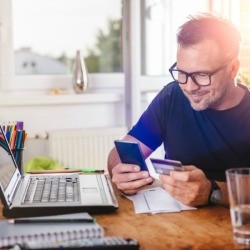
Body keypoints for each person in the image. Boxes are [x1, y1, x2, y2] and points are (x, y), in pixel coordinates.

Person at [108, 14, 250, 207]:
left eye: (202, 75)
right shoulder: (172, 96)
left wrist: (212, 191)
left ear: (233, 69)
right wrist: (120, 169)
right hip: (175, 224)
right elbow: (121, 151)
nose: (190, 87)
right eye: (182, 73)